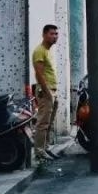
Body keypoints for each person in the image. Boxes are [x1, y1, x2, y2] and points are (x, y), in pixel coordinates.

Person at [32, 24, 60, 161]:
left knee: (49, 122)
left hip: (52, 90)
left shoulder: (48, 51)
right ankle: (39, 151)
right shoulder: (40, 51)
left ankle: (45, 147)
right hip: (46, 91)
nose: (55, 36)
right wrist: (47, 92)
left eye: (56, 34)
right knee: (43, 123)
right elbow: (39, 74)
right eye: (51, 34)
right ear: (44, 35)